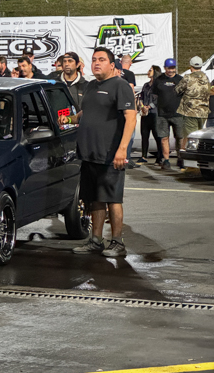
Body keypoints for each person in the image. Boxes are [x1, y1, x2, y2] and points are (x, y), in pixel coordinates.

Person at [59, 48, 136, 258]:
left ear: (112, 65)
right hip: (89, 154)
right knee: (95, 199)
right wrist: (70, 119)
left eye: (102, 60)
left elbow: (131, 117)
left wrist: (122, 149)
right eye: (94, 60)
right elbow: (86, 113)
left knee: (113, 199)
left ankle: (117, 242)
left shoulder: (120, 85)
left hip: (110, 154)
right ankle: (96, 240)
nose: (97, 63)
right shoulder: (91, 86)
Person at [152, 58, 184, 171]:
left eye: (172, 68)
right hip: (162, 114)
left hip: (178, 114)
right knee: (164, 138)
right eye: (168, 68)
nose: (171, 70)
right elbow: (154, 95)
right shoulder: (159, 80)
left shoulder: (180, 80)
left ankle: (181, 158)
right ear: (165, 68)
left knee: (180, 137)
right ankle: (166, 160)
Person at [175, 56, 210, 148]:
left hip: (190, 111)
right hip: (203, 112)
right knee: (199, 136)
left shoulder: (188, 78)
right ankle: (199, 152)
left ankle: (187, 154)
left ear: (191, 66)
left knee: (190, 136)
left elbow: (177, 90)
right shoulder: (206, 78)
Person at [137, 65, 163, 165]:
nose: (148, 72)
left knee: (157, 135)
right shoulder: (146, 85)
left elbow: (159, 99)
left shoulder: (159, 85)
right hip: (145, 113)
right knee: (144, 134)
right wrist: (142, 105)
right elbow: (142, 96)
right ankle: (144, 156)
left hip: (155, 113)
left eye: (150, 70)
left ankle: (160, 156)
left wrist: (149, 106)